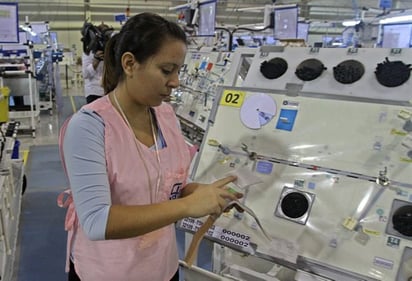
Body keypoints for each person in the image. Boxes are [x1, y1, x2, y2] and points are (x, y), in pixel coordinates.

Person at [59, 12, 242, 281]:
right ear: (130, 64)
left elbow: (168, 187)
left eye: (178, 71)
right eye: (166, 70)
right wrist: (188, 206)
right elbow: (97, 221)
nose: (175, 82)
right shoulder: (89, 127)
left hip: (161, 267)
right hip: (109, 272)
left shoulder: (165, 115)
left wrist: (203, 194)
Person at [81, 23, 111, 104]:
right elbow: (85, 75)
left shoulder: (111, 50)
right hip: (93, 92)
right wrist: (96, 61)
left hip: (109, 91)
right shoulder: (89, 52)